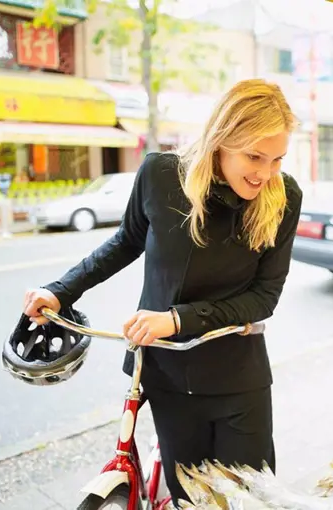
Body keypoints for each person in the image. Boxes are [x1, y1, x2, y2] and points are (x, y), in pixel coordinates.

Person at [21, 79, 303, 505]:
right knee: (187, 498)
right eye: (254, 156)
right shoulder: (161, 175)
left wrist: (177, 320)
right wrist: (61, 292)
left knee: (248, 500)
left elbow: (264, 297)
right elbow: (125, 243)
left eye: (277, 159)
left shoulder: (284, 198)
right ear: (221, 140)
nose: (265, 173)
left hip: (238, 382)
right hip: (167, 377)